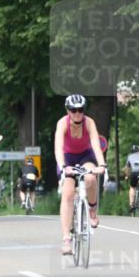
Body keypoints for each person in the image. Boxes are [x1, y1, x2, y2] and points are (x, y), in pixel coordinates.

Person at [54, 93, 107, 254]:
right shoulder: (62, 123)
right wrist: (63, 166)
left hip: (86, 155)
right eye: (73, 110)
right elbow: (58, 147)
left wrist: (102, 164)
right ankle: (66, 240)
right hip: (67, 158)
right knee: (68, 194)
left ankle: (92, 208)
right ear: (67, 110)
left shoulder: (89, 122)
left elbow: (96, 146)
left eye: (80, 110)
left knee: (90, 177)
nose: (77, 113)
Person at [123, 144, 139, 212]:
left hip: (134, 173)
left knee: (132, 187)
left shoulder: (129, 156)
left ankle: (131, 204)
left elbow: (127, 168)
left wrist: (126, 176)